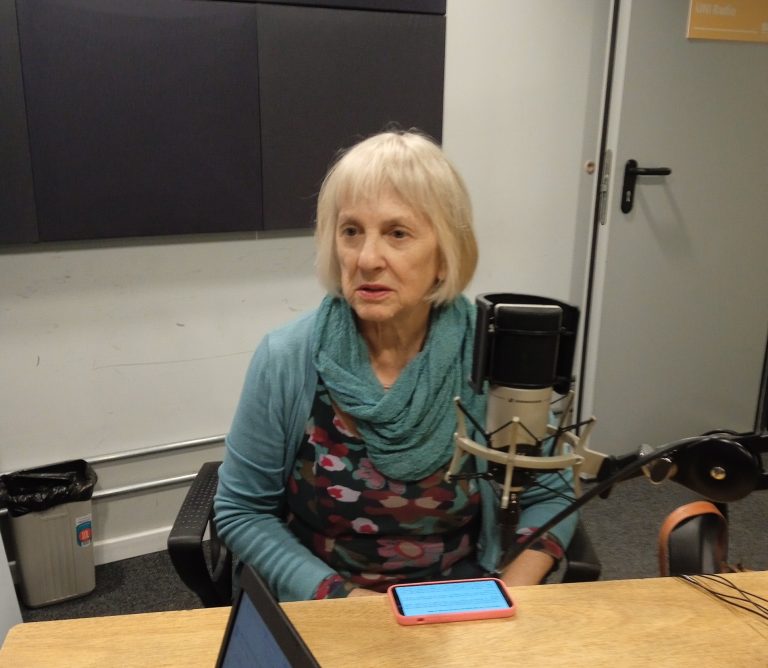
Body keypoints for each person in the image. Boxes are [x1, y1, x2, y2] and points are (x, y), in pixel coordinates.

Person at [214, 130, 577, 602]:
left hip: (461, 597)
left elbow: (552, 494)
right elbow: (242, 511)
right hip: (326, 600)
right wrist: (343, 600)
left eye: (397, 233)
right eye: (351, 232)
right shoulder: (287, 358)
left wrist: (508, 594)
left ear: (444, 255)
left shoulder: (492, 355)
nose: (367, 259)